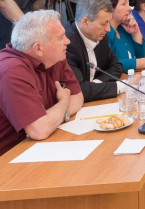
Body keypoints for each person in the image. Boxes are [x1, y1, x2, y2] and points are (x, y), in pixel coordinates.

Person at [0, 10, 83, 156]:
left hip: (38, 146)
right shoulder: (12, 71)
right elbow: (40, 130)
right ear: (38, 48)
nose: (68, 41)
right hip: (9, 157)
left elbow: (77, 97)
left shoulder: (55, 57)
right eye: (60, 38)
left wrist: (55, 117)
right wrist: (64, 101)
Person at [64, 0, 125, 102]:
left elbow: (116, 66)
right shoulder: (67, 44)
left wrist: (96, 83)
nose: (108, 29)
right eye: (103, 24)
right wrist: (120, 87)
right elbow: (79, 90)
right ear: (85, 22)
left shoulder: (100, 36)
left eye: (109, 22)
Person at [101, 0, 145, 72]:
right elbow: (110, 65)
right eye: (124, 4)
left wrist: (136, 34)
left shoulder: (123, 28)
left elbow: (140, 55)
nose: (129, 9)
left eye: (128, 4)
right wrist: (143, 62)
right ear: (110, 8)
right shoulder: (104, 33)